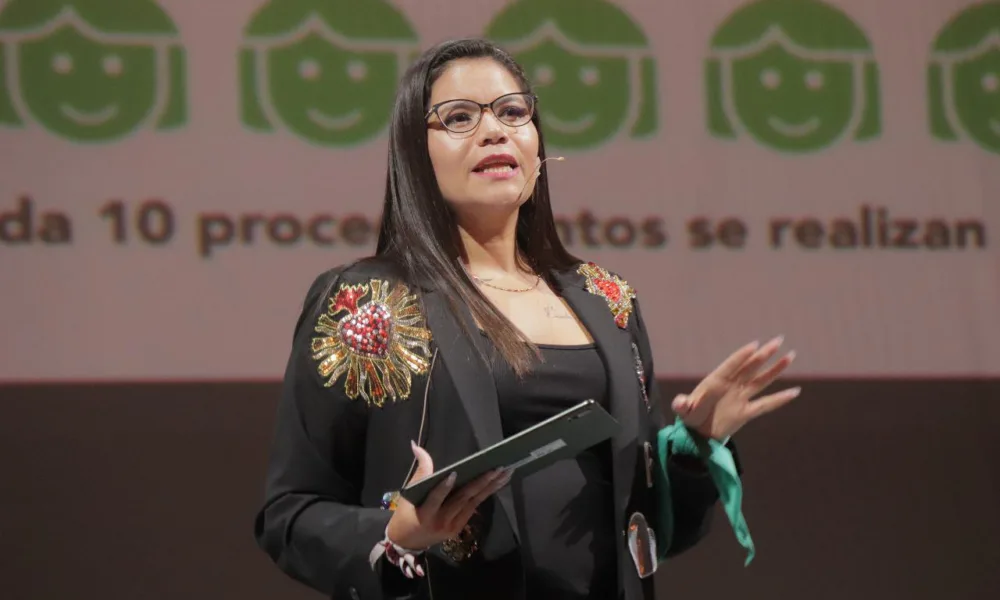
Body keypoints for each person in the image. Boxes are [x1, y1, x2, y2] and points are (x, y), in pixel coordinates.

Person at [253, 37, 800, 600]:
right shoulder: (366, 302)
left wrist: (695, 444)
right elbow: (290, 514)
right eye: (459, 117)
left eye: (513, 111)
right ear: (415, 153)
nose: (495, 131)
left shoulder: (607, 298)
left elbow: (651, 531)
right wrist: (398, 536)